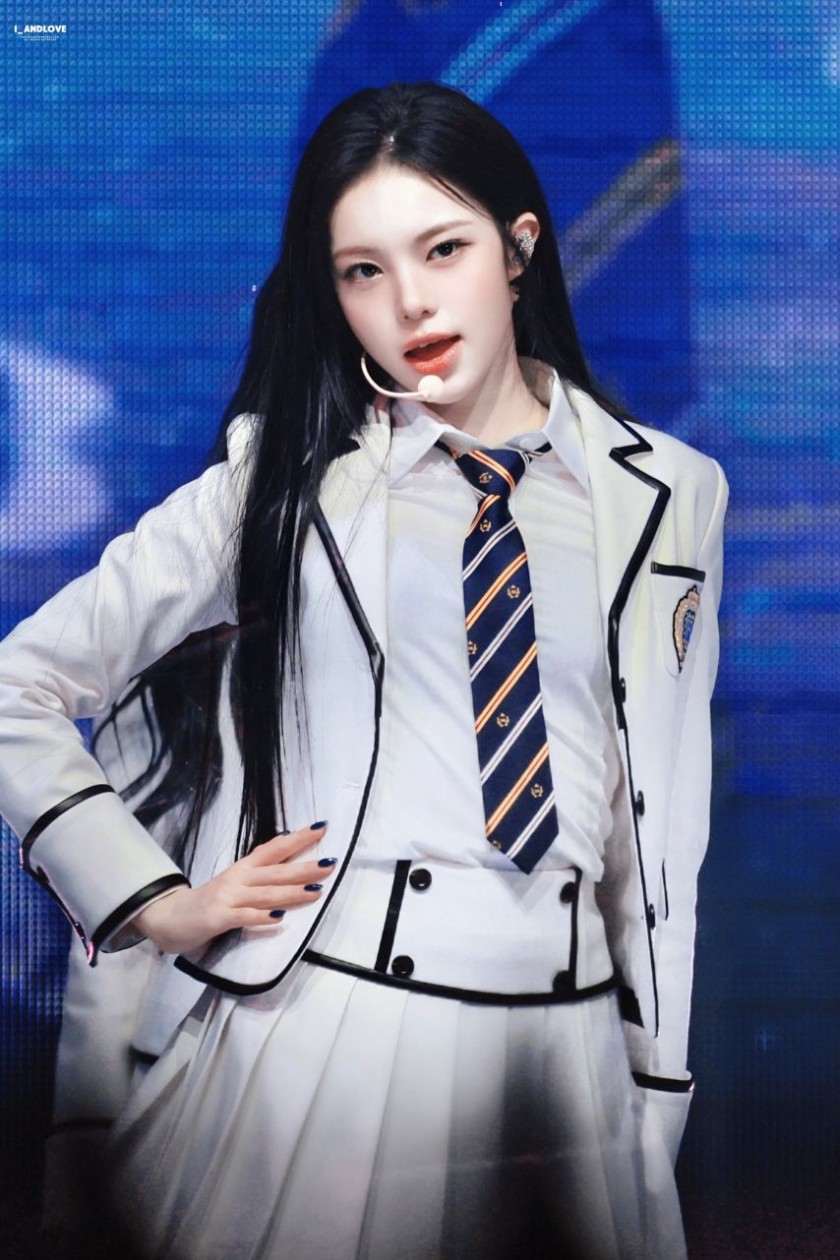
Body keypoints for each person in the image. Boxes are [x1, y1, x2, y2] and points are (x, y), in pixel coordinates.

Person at [0, 82, 727, 1259]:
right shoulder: (280, 485)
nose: (409, 303)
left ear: (519, 249)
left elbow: (658, 829)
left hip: (574, 1049)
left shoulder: (674, 492)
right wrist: (151, 900)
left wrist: (655, 1088)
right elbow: (17, 688)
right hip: (330, 1034)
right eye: (362, 271)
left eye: (443, 249)